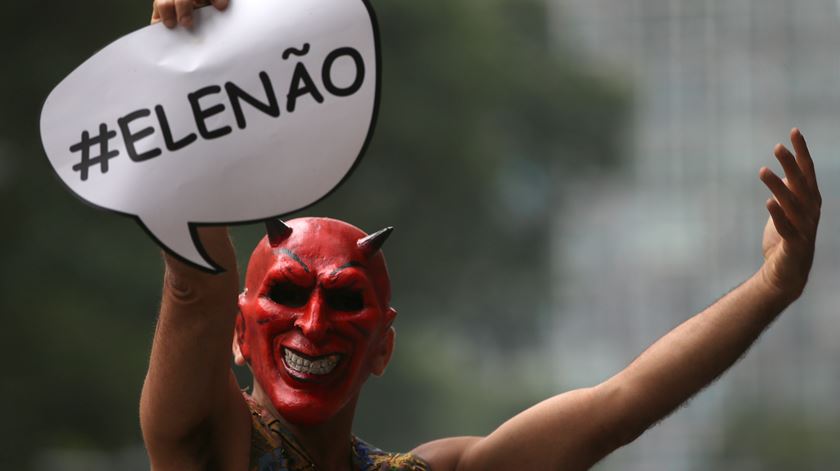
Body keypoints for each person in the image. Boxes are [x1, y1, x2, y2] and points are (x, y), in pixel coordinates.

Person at [141, 1, 823, 470]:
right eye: (289, 292)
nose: (314, 324)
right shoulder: (212, 444)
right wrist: (189, 77)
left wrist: (771, 286)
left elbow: (620, 403)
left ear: (384, 345)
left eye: (346, 301)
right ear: (239, 332)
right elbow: (196, 280)